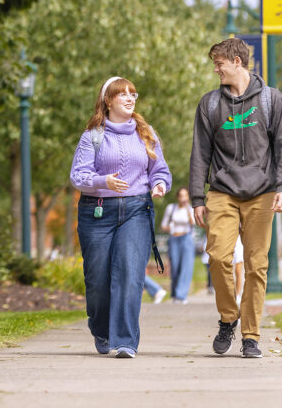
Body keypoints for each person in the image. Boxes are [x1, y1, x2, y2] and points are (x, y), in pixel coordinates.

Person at [189, 38, 282, 359]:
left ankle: (250, 335)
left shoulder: (271, 101)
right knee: (218, 257)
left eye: (219, 63)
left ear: (237, 61)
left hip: (262, 193)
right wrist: (196, 197)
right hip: (222, 191)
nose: (216, 69)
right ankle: (228, 318)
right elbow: (200, 153)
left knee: (256, 265)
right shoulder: (209, 105)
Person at [70, 76, 171, 358]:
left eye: (133, 94)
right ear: (108, 101)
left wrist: (160, 184)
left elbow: (159, 169)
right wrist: (104, 181)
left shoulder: (146, 132)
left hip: (137, 210)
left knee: (129, 274)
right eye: (122, 94)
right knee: (98, 280)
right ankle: (101, 330)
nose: (129, 99)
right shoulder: (93, 135)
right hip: (97, 212)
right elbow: (78, 176)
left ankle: (126, 340)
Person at [161, 187, 196, 303]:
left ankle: (182, 295)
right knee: (175, 267)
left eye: (185, 196)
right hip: (174, 239)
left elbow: (193, 223)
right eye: (181, 196)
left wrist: (187, 208)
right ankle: (175, 294)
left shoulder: (190, 209)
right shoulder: (171, 208)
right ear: (178, 197)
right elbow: (163, 226)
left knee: (186, 267)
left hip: (186, 238)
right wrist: (170, 228)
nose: (183, 198)